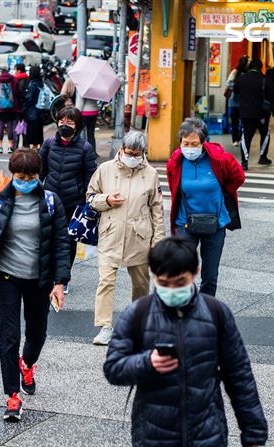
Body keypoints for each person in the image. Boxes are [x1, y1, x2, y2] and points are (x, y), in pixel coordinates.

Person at [103, 236, 268, 447]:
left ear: (195, 272)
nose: (172, 289)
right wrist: (147, 363)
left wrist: (252, 430)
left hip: (207, 435)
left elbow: (238, 373)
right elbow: (113, 368)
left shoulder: (216, 312)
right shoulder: (138, 313)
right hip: (154, 437)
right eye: (163, 283)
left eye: (180, 282)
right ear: (154, 277)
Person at [0, 149, 70, 423]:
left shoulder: (51, 202)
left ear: (39, 176)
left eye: (31, 177)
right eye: (20, 176)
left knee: (37, 333)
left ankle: (27, 364)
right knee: (8, 335)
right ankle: (12, 397)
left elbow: (62, 244)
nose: (25, 181)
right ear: (12, 175)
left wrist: (60, 282)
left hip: (40, 279)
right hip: (6, 276)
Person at [86, 131, 165, 346]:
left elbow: (157, 210)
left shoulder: (150, 174)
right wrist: (107, 200)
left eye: (137, 154)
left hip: (139, 236)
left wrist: (158, 243)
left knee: (140, 283)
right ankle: (104, 326)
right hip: (110, 233)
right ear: (121, 149)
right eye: (129, 152)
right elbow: (90, 197)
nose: (132, 156)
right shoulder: (105, 169)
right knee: (105, 282)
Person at [166, 118, 244, 296]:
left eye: (194, 144)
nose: (190, 148)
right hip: (184, 223)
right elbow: (174, 189)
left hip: (215, 224)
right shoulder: (175, 163)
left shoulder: (220, 159)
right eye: (185, 143)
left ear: (203, 142)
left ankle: (205, 311)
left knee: (210, 275)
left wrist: (224, 193)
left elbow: (238, 176)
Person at [39, 106, 97, 293]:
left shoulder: (85, 149)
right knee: (47, 238)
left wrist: (88, 202)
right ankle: (47, 273)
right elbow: (40, 171)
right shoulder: (48, 144)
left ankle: (63, 278)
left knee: (67, 241)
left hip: (73, 203)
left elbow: (90, 178)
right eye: (62, 121)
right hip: (49, 200)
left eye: (70, 122)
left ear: (77, 125)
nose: (65, 125)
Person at [234, 59, 274, 171]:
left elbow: (235, 90)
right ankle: (263, 157)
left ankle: (244, 161)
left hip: (246, 113)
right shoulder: (265, 79)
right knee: (265, 133)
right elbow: (272, 96)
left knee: (246, 137)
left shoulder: (242, 78)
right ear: (260, 67)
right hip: (262, 114)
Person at [0, 65, 20, 154]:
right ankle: (10, 146)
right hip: (11, 107)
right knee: (10, 126)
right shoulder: (14, 80)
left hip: (0, 107)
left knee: (1, 125)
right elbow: (17, 92)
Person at [226, 56, 248, 147]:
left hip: (239, 101)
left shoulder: (243, 73)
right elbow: (228, 83)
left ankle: (238, 139)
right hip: (237, 101)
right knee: (236, 122)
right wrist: (238, 87)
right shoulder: (235, 72)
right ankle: (236, 139)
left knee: (239, 122)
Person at [22, 65, 45, 150]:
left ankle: (33, 148)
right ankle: (38, 147)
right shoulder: (41, 83)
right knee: (38, 131)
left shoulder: (32, 84)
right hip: (40, 110)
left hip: (32, 112)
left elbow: (29, 99)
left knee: (31, 131)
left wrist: (23, 108)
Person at [13, 63, 29, 148]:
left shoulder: (16, 80)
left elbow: (17, 94)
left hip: (18, 108)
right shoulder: (28, 79)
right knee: (25, 126)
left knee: (17, 126)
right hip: (26, 108)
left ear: (18, 71)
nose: (14, 72)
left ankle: (16, 146)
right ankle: (25, 145)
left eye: (15, 70)